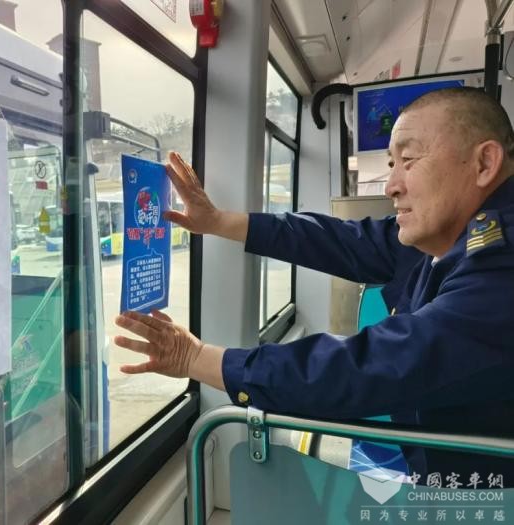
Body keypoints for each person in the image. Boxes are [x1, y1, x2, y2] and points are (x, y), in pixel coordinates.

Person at [114, 87, 514, 486]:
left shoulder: (502, 266)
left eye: (408, 161)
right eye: (392, 165)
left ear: (484, 163)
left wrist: (195, 358)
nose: (391, 186)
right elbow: (338, 240)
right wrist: (217, 222)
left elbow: (377, 364)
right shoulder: (448, 235)